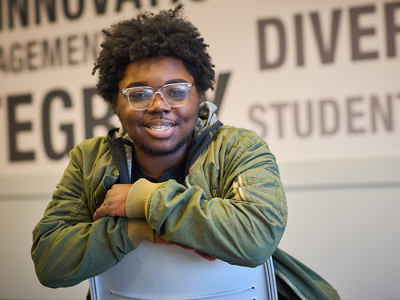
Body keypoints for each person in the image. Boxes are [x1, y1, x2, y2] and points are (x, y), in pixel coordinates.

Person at [31, 4, 340, 300]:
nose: (159, 106)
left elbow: (255, 238)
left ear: (199, 95)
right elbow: (49, 262)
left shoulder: (240, 147)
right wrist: (139, 229)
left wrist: (143, 199)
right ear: (115, 102)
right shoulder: (88, 159)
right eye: (138, 94)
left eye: (176, 91)